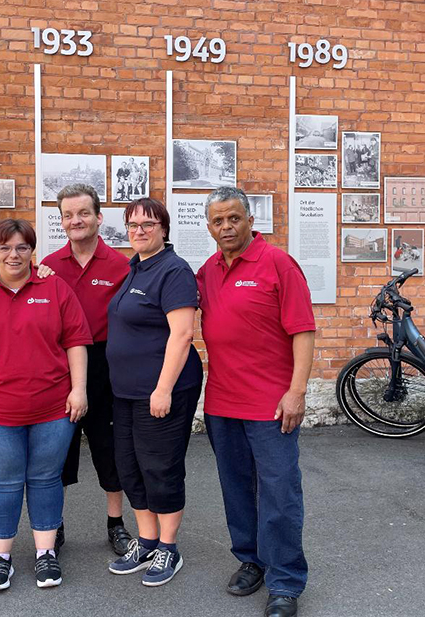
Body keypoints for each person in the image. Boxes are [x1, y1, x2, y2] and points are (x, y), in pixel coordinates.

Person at [0, 218, 92, 593]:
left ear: (32, 250)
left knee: (45, 480)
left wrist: (79, 390)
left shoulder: (54, 288)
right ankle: (1, 560)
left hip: (53, 409)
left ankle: (45, 555)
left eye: (22, 247)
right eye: (5, 247)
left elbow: (75, 341)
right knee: (4, 483)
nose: (14, 254)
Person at [196, 187, 316, 617]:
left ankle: (285, 581)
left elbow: (302, 330)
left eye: (233, 219)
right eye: (217, 221)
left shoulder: (277, 263)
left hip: (271, 405)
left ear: (249, 220)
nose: (225, 227)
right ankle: (252, 560)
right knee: (237, 489)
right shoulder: (207, 270)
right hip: (222, 403)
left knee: (279, 491)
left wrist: (297, 391)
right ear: (208, 227)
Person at [105, 197, 203, 586]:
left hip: (162, 391)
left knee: (160, 467)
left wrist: (163, 389)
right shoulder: (136, 268)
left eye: (148, 223)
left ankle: (168, 547)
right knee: (130, 467)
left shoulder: (174, 270)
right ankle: (145, 540)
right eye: (132, 225)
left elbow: (182, 334)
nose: (139, 230)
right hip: (126, 392)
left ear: (163, 227)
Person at [40, 184, 133, 556]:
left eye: (82, 213)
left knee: (109, 449)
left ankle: (116, 523)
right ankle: (54, 525)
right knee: (57, 451)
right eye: (67, 215)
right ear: (61, 220)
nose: (75, 221)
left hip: (107, 367)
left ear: (98, 217)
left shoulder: (123, 266)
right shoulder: (48, 267)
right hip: (59, 368)